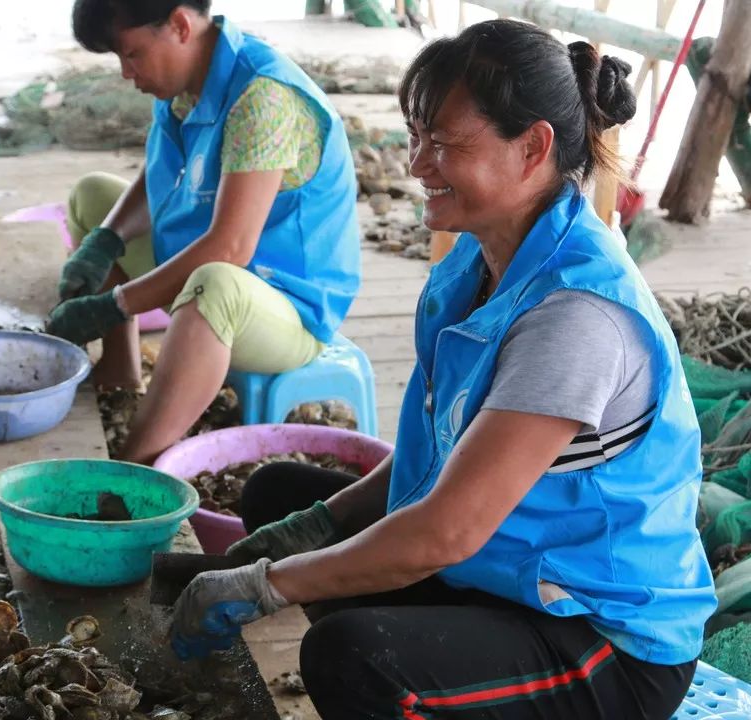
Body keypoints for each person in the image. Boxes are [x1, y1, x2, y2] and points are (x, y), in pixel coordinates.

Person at [169, 19, 717, 720]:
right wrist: (305, 530)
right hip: (507, 572)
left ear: (533, 148)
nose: (417, 164)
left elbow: (444, 532)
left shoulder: (577, 315)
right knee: (278, 494)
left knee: (353, 658)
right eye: (416, 136)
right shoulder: (480, 261)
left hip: (604, 635)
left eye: (445, 144)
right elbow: (436, 466)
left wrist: (268, 584)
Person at [47, 0, 360, 464]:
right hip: (204, 261)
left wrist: (114, 304)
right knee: (93, 196)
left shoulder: (264, 96)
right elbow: (157, 180)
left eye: (131, 54)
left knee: (213, 284)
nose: (126, 73)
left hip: (288, 306)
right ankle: (119, 372)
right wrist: (104, 242)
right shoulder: (185, 81)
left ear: (178, 24)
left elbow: (231, 247)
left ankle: (138, 463)